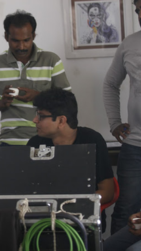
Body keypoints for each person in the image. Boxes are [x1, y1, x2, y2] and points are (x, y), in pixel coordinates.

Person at [27, 88, 115, 231]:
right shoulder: (35, 144)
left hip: (82, 223)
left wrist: (70, 207)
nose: (35, 120)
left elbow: (107, 191)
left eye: (41, 116)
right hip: (43, 221)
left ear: (61, 120)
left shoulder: (92, 140)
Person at [0, 10, 71, 146]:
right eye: (15, 41)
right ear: (6, 37)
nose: (21, 47)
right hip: (9, 142)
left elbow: (68, 102)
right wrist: (2, 102)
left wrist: (38, 96)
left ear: (33, 36)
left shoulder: (51, 60)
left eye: (26, 40)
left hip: (47, 141)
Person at [103, 0, 141, 234]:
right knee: (126, 210)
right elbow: (110, 83)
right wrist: (115, 123)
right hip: (135, 147)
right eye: (138, 10)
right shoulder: (130, 44)